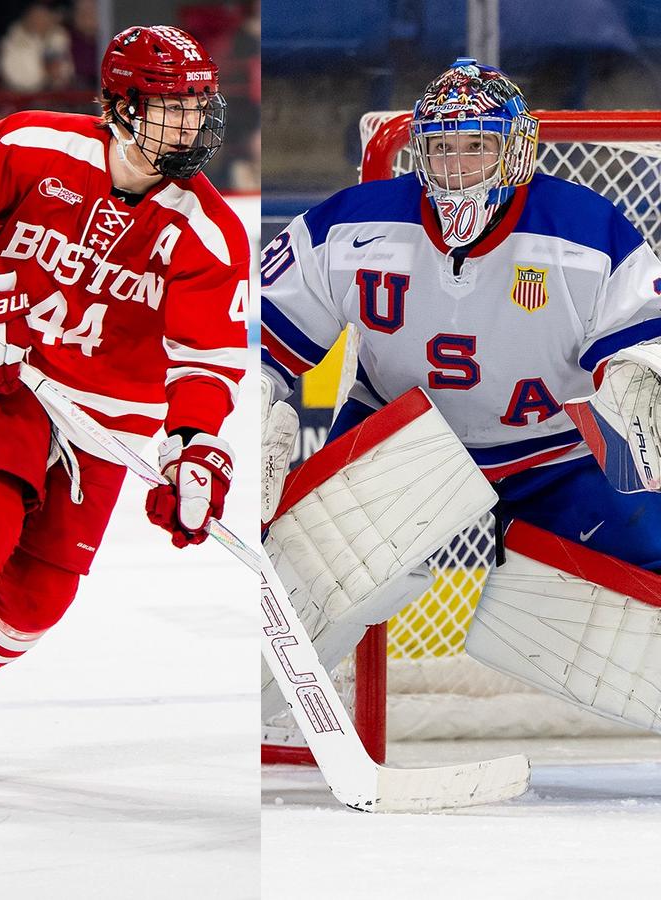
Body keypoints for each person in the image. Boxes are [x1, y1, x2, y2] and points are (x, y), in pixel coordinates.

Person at [0, 25, 250, 772]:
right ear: (117, 105)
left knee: (37, 603)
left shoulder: (208, 228)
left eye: (200, 102)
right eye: (172, 105)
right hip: (4, 379)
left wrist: (196, 446)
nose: (194, 121)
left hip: (106, 422)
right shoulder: (35, 145)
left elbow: (206, 358)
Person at [258, 59, 661, 729]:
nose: (457, 163)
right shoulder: (352, 226)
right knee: (311, 572)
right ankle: (261, 715)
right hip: (399, 437)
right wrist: (258, 410)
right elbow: (261, 336)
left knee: (647, 582)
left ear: (516, 148)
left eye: (477, 143)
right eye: (442, 145)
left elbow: (641, 339)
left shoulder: (586, 232)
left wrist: (640, 370)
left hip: (554, 449)